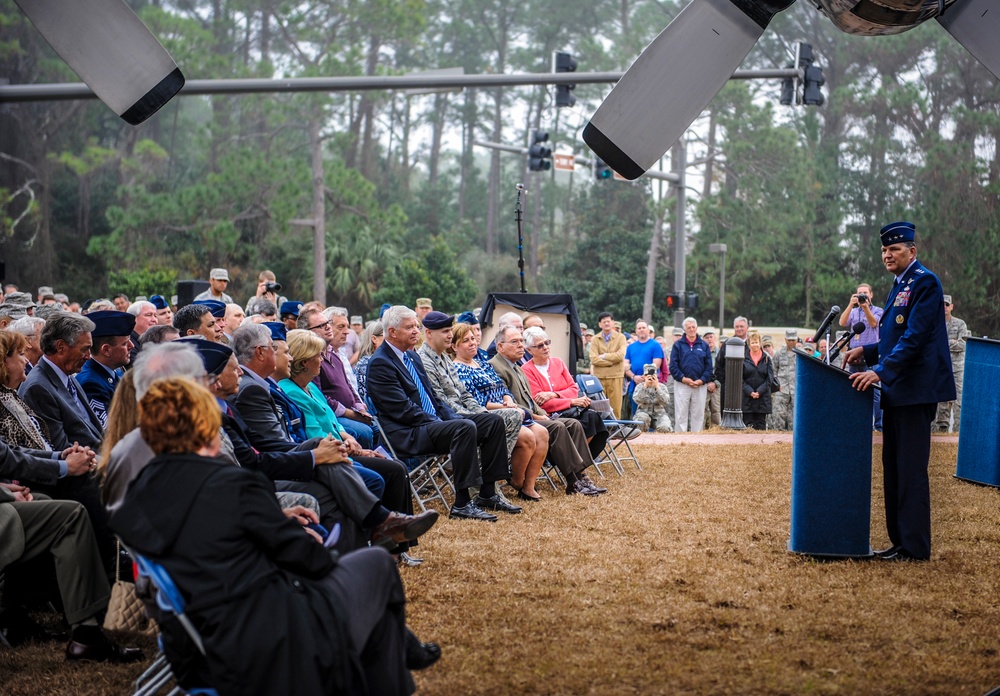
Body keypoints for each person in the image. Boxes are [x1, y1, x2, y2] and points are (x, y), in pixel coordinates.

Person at [109, 377, 440, 695]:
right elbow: (313, 562)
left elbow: (205, 534)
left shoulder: (138, 493)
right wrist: (310, 540)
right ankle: (395, 664)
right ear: (206, 427)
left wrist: (271, 521)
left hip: (193, 642)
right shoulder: (232, 485)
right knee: (376, 562)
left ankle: (395, 655)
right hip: (267, 638)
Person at [845, 221, 955, 561]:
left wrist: (878, 371)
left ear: (912, 251)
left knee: (909, 470)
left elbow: (915, 338)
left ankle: (915, 547)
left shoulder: (924, 282)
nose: (887, 255)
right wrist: (868, 351)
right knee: (893, 469)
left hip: (916, 390)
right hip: (898, 389)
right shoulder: (900, 283)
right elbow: (893, 337)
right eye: (883, 250)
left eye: (894, 249)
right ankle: (900, 542)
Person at [367, 306, 515, 521]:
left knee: (492, 422)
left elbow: (433, 398)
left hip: (429, 423)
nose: (416, 331)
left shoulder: (411, 357)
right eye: (410, 327)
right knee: (464, 428)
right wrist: (441, 421)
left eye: (417, 326)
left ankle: (487, 493)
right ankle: (462, 504)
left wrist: (450, 417)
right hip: (407, 432)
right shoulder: (380, 363)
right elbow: (401, 410)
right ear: (392, 332)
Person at [419, 316, 535, 498]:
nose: (449, 335)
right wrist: (476, 414)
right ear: (429, 333)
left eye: (450, 331)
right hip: (449, 418)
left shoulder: (444, 358)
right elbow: (440, 401)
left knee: (506, 417)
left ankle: (488, 485)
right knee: (500, 420)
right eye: (445, 332)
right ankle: (482, 488)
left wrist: (480, 412)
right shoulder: (424, 360)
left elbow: (464, 394)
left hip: (464, 412)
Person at [489, 326, 607, 496]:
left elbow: (571, 388)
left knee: (576, 424)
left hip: (541, 414)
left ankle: (582, 475)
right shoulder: (501, 367)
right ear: (500, 346)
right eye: (515, 342)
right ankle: (573, 481)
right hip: (521, 417)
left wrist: (547, 405)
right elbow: (510, 401)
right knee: (559, 427)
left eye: (521, 341)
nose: (520, 345)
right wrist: (539, 414)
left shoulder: (518, 366)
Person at [447, 322, 548, 502]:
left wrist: (508, 399)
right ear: (454, 346)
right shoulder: (458, 369)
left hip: (507, 410)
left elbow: (503, 389)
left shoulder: (483, 364)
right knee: (528, 437)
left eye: (473, 339)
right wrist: (505, 407)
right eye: (465, 341)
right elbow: (477, 403)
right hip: (489, 417)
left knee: (542, 432)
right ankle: (517, 481)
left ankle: (528, 486)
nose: (472, 343)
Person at [521, 326, 609, 458]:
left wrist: (554, 394)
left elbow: (573, 389)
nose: (545, 347)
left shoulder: (558, 362)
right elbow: (541, 403)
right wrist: (571, 401)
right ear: (529, 350)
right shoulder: (527, 369)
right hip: (551, 415)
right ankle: (576, 466)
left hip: (570, 411)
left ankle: (579, 463)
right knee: (579, 424)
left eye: (547, 343)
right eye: (540, 345)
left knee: (593, 418)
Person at [76, 310, 135, 428]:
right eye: (124, 344)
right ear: (106, 350)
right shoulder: (91, 383)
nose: (131, 346)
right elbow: (108, 430)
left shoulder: (112, 372)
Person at [839, 282, 884, 430]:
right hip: (855, 354)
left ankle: (878, 425)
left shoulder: (878, 310)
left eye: (865, 293)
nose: (862, 296)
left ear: (871, 295)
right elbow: (842, 322)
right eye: (860, 294)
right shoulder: (853, 311)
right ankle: (855, 423)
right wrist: (851, 305)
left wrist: (865, 308)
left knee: (875, 391)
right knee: (853, 387)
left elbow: (873, 323)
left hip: (871, 355)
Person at [669, 317, 713, 432]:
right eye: (689, 327)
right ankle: (680, 439)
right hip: (682, 384)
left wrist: (701, 380)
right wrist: (684, 379)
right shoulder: (678, 345)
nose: (692, 329)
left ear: (697, 328)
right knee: (680, 415)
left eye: (693, 327)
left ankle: (696, 440)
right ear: (685, 329)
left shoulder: (704, 345)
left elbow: (709, 367)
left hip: (700, 385)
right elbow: (673, 366)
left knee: (698, 415)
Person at [934, 294, 970, 432]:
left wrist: (943, 344)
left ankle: (958, 433)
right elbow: (931, 345)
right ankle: (941, 432)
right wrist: (951, 343)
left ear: (952, 307)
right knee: (941, 401)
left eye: (947, 304)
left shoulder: (960, 324)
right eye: (942, 304)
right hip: (940, 367)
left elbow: (962, 345)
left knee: (959, 402)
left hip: (957, 368)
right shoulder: (935, 325)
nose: (944, 307)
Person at [590, 312, 627, 418]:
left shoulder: (621, 337)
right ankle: (600, 432)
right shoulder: (595, 339)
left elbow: (620, 356)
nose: (606, 323)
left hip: (615, 376)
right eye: (604, 322)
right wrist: (612, 361)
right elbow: (593, 359)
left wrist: (604, 356)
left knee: (615, 407)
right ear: (599, 324)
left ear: (613, 323)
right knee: (599, 408)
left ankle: (615, 431)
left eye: (608, 321)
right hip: (599, 378)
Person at [741, 331, 774, 430]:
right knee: (748, 426)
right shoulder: (743, 358)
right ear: (749, 344)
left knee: (761, 425)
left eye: (756, 342)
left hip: (763, 398)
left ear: (760, 343)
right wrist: (750, 392)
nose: (755, 345)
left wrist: (759, 391)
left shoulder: (767, 358)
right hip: (748, 398)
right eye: (752, 342)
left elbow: (770, 378)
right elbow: (740, 378)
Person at [769, 330, 798, 431]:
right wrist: (777, 384)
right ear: (785, 340)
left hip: (796, 390)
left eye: (793, 340)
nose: (791, 342)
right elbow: (773, 369)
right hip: (781, 389)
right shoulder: (779, 353)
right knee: (778, 416)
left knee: (795, 418)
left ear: (797, 339)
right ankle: (778, 438)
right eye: (789, 340)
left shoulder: (801, 354)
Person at [633, 365, 672, 432]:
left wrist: (657, 387)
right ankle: (642, 440)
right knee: (642, 420)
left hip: (659, 414)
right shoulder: (639, 386)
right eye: (647, 375)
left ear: (656, 375)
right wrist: (645, 387)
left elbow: (666, 401)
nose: (650, 377)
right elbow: (637, 400)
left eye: (652, 375)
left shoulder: (662, 387)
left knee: (664, 428)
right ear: (644, 376)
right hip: (643, 413)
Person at [702, 330, 721, 427]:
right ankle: (701, 432)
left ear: (715, 338)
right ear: (703, 340)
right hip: (703, 385)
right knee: (702, 410)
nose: (709, 339)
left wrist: (715, 383)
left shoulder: (720, 353)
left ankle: (716, 431)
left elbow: (722, 370)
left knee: (716, 410)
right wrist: (706, 382)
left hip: (716, 386)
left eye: (711, 337)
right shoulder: (701, 352)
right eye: (707, 337)